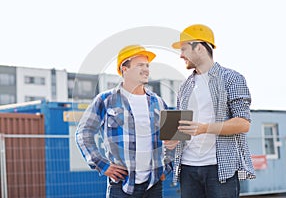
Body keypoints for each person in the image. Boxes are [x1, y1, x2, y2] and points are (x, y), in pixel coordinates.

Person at [164, 24, 256, 198]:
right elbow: (182, 128)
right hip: (188, 169)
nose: (181, 55)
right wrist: (172, 139)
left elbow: (243, 124)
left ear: (198, 47)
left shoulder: (232, 79)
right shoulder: (184, 87)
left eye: (184, 49)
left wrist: (204, 128)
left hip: (219, 169)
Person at [75, 44, 172, 198]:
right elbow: (83, 133)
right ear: (124, 69)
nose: (146, 69)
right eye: (140, 65)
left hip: (153, 186)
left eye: (147, 65)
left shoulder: (158, 102)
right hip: (121, 187)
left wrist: (166, 166)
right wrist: (102, 165)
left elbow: (173, 137)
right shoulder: (105, 100)